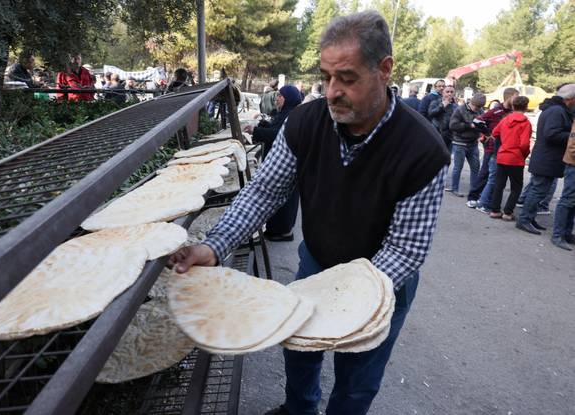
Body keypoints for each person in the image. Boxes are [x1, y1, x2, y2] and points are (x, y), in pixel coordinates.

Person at [169, 11, 450, 415]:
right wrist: (215, 246)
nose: (333, 91)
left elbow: (405, 251)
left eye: (348, 78)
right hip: (317, 263)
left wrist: (348, 306)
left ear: (384, 69)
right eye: (326, 77)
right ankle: (299, 409)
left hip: (381, 282)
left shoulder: (422, 150)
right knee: (300, 351)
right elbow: (265, 192)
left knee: (357, 379)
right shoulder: (304, 122)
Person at [244, 85, 303, 241]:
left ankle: (283, 232)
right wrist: (263, 125)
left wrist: (256, 132)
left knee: (284, 199)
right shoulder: (286, 113)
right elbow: (275, 127)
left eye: (280, 96)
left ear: (288, 98)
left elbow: (278, 134)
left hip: (287, 166)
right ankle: (276, 229)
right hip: (282, 163)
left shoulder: (292, 114)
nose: (277, 98)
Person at [517, 83, 575, 234]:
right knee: (537, 191)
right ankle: (524, 220)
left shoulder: (555, 109)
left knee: (539, 191)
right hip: (547, 158)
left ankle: (529, 218)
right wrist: (572, 136)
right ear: (570, 98)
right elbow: (552, 134)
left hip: (547, 158)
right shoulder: (557, 111)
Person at [469, 87, 519, 211]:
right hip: (492, 148)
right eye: (516, 96)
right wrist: (488, 133)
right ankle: (473, 197)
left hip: (504, 149)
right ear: (510, 96)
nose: (517, 99)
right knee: (485, 173)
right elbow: (476, 121)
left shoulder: (513, 112)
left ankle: (487, 199)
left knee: (495, 176)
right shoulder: (496, 111)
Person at [488, 96, 531, 221]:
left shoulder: (505, 120)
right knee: (516, 186)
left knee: (499, 184)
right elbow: (524, 144)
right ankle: (508, 212)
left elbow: (495, 133)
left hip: (502, 156)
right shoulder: (525, 123)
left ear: (513, 106)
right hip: (516, 158)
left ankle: (495, 210)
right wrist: (524, 154)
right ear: (526, 107)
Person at [447, 93, 486, 197]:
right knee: (458, 167)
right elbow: (452, 125)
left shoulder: (480, 111)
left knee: (475, 167)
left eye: (480, 107)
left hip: (473, 143)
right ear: (471, 102)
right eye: (476, 107)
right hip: (459, 143)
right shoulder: (460, 109)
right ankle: (454, 188)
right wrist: (470, 125)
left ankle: (474, 191)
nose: (477, 109)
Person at [551, 121, 575, 250]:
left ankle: (566, 232)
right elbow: (572, 146)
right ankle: (558, 235)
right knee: (567, 201)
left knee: (572, 202)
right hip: (573, 165)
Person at [427, 85, 457, 151]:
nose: (449, 93)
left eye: (452, 92)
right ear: (443, 93)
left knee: (447, 157)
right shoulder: (436, 102)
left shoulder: (455, 105)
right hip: (437, 134)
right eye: (447, 91)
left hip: (450, 136)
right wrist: (442, 105)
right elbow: (431, 114)